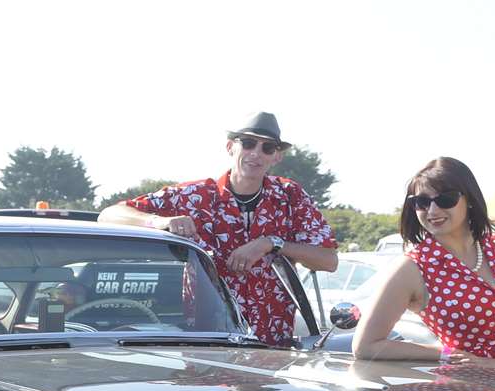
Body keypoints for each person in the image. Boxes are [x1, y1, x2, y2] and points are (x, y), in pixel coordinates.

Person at [97, 112, 338, 345]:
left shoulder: (290, 196)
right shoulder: (194, 196)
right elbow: (109, 215)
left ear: (277, 157)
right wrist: (160, 222)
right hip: (209, 341)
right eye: (248, 143)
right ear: (230, 147)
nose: (256, 153)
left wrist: (271, 243)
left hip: (274, 343)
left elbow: (328, 260)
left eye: (267, 148)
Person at [354, 157, 495, 370]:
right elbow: (366, 346)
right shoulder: (412, 268)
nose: (433, 211)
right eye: (422, 202)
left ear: (470, 199)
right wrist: (445, 353)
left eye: (446, 199)